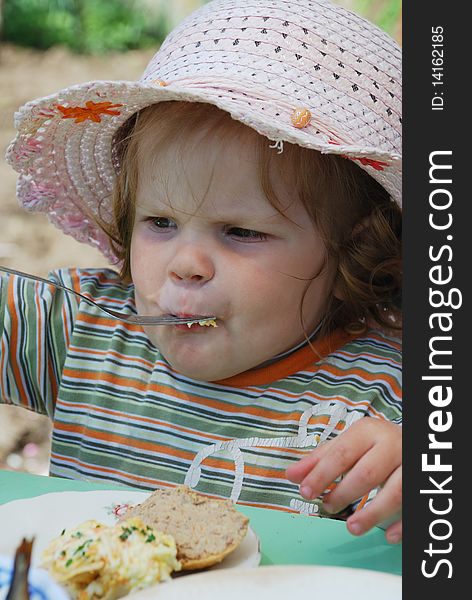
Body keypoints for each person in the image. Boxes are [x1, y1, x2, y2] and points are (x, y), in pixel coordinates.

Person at [0, 0, 402, 543]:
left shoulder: (388, 395)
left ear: (352, 246)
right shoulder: (84, 330)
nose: (186, 265)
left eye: (240, 232)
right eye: (159, 222)